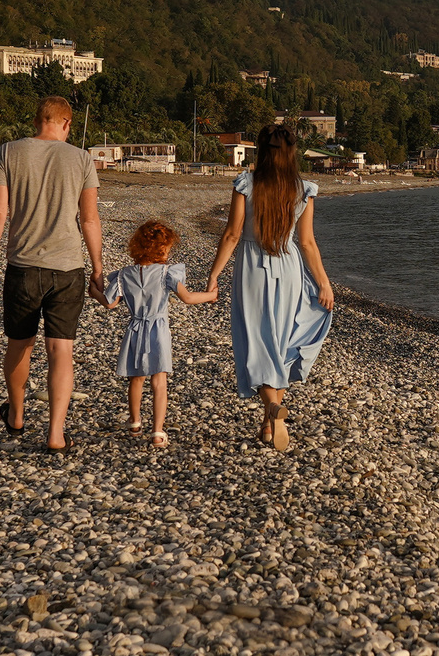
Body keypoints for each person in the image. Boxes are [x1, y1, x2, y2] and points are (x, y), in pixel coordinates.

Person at [0, 95, 103, 452]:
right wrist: (97, 268)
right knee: (60, 350)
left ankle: (16, 416)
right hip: (67, 269)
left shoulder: (8, 152)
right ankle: (55, 435)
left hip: (23, 265)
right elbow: (90, 219)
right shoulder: (81, 158)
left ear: (38, 120)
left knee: (20, 344)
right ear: (66, 123)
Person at [202, 123, 335, 451]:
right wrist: (324, 283)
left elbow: (232, 234)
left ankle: (272, 410)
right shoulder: (302, 189)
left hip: (252, 269)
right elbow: (307, 243)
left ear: (260, 151)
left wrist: (214, 274)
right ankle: (268, 423)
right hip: (288, 267)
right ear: (291, 154)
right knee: (284, 340)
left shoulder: (246, 185)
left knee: (256, 343)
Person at [101, 218, 217, 447]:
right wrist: (211, 296)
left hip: (135, 327)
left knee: (136, 377)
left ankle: (134, 422)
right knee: (159, 380)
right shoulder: (166, 273)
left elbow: (110, 303)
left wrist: (94, 290)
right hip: (158, 329)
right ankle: (157, 431)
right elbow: (188, 298)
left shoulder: (125, 274)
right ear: (161, 248)